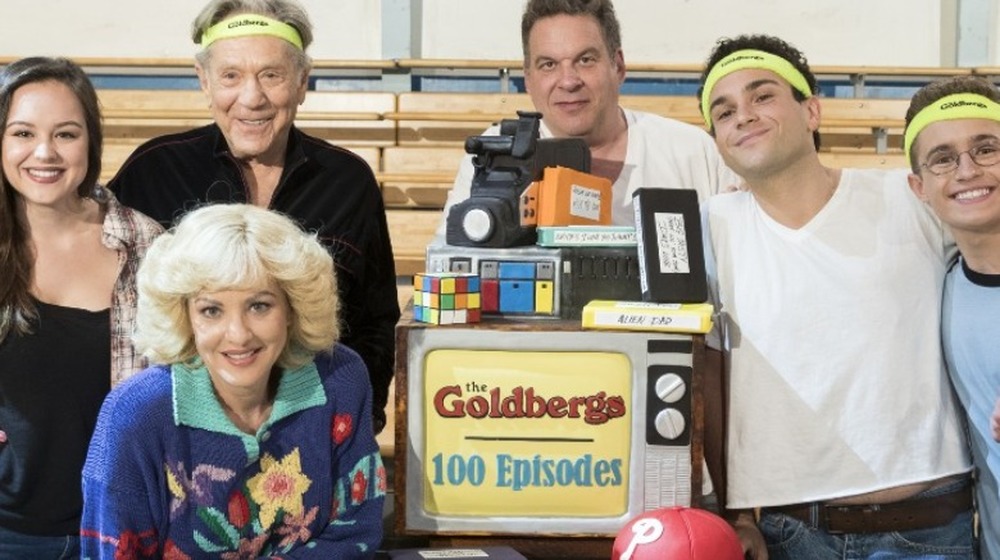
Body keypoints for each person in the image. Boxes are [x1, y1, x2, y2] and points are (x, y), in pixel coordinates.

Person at [697, 35, 975, 559]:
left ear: (812, 110)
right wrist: (731, 515)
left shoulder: (910, 196)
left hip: (930, 524)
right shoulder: (711, 227)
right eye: (725, 110)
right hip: (790, 534)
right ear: (716, 140)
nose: (744, 116)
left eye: (762, 96)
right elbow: (708, 377)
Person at [108, 0, 400, 433]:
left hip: (311, 428)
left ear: (302, 82)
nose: (251, 98)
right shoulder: (153, 171)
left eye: (271, 75)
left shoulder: (347, 181)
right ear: (203, 81)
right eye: (231, 76)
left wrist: (353, 420)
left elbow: (374, 321)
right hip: (178, 434)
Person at [80, 203, 386, 559]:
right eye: (211, 310)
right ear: (185, 317)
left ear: (291, 309)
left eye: (259, 306)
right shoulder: (135, 414)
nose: (238, 335)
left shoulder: (341, 380)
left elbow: (356, 533)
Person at [0, 57, 162, 558]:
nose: (44, 152)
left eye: (66, 134)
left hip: (124, 526)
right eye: (22, 133)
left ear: (90, 141)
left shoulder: (147, 243)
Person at [437, 0, 737, 233]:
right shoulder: (497, 153)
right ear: (528, 78)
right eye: (548, 64)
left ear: (617, 66)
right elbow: (452, 261)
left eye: (585, 60)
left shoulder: (693, 152)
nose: (568, 81)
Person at [905, 75, 1000, 559]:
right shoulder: (946, 286)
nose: (967, 170)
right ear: (919, 187)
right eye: (943, 158)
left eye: (987, 149)